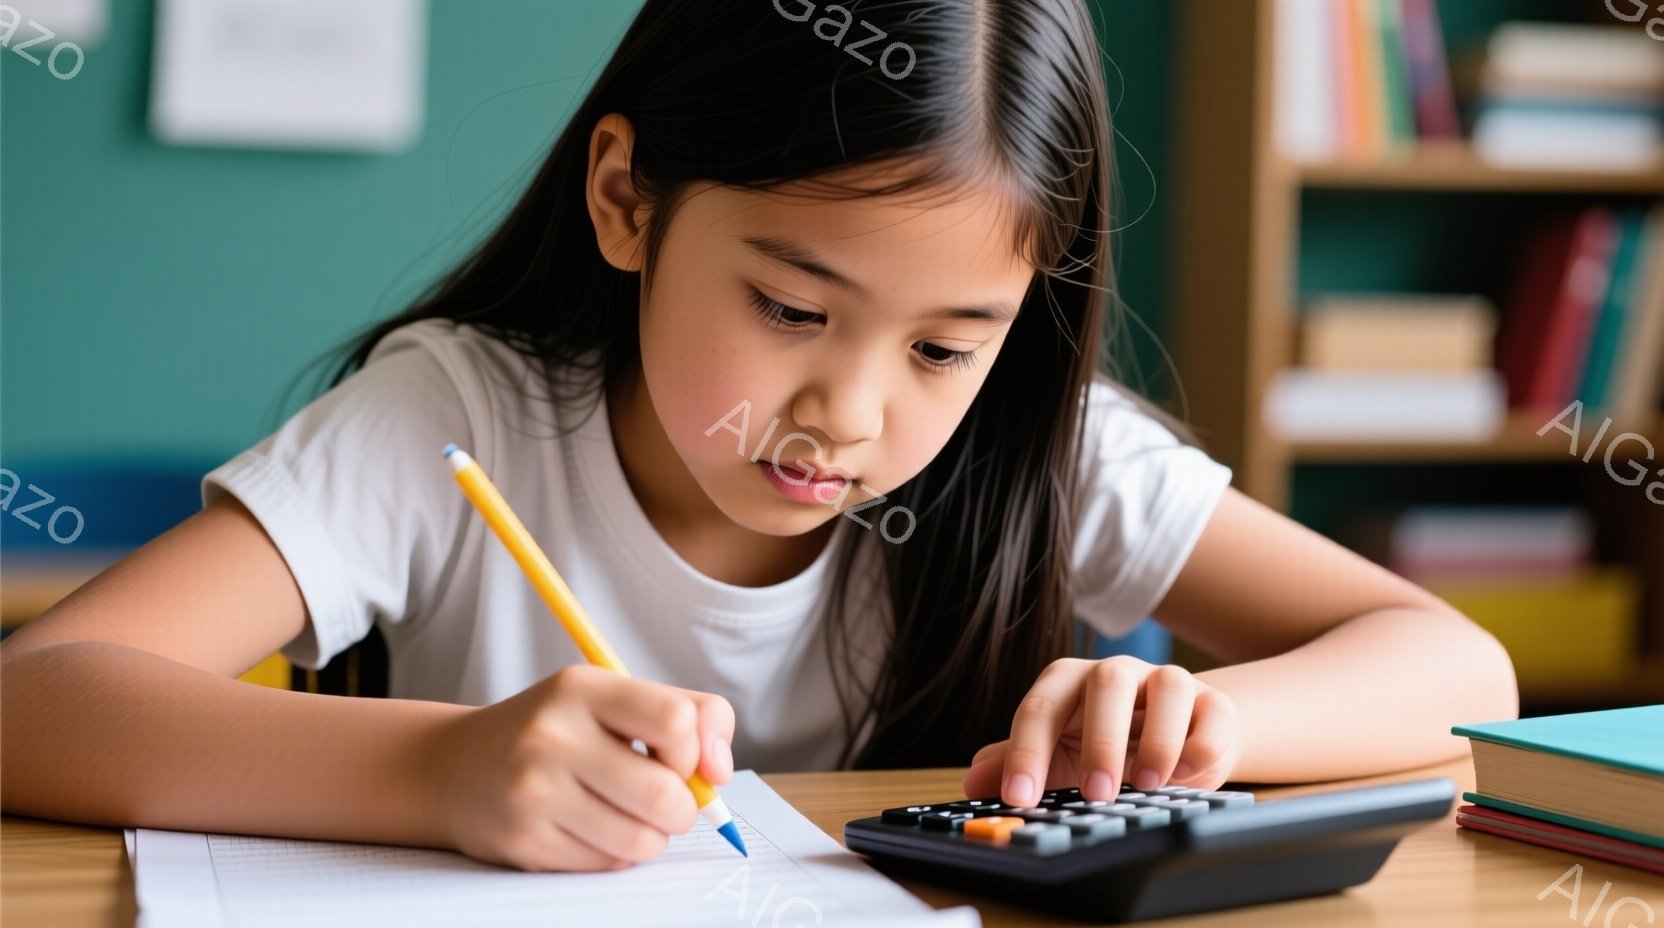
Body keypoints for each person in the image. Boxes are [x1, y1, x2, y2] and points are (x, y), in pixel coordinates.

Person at [1, 0, 1517, 873]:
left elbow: (1463, 672)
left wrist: (1214, 729)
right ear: (626, 200)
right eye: (794, 308)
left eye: (944, 345)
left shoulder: (1045, 455)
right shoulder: (453, 417)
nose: (851, 416)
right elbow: (38, 700)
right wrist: (442, 773)